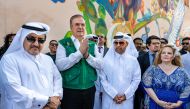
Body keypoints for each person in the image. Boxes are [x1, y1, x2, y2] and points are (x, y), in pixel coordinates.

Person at [0, 22, 63, 109]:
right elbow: (13, 89)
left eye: (41, 40)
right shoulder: (9, 59)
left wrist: (55, 98)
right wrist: (46, 100)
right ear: (22, 38)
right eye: (31, 39)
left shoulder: (47, 59)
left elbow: (57, 79)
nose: (36, 44)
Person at [56, 14, 102, 109]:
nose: (80, 27)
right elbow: (60, 65)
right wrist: (79, 53)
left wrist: (88, 56)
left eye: (82, 24)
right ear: (71, 27)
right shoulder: (63, 43)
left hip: (89, 89)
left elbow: (101, 64)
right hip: (70, 90)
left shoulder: (93, 43)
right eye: (77, 24)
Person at [100, 32, 141, 109]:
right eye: (116, 43)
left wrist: (126, 95)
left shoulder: (133, 60)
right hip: (109, 99)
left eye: (121, 43)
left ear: (127, 44)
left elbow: (136, 79)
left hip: (127, 100)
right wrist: (113, 94)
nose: (118, 45)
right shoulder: (106, 60)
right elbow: (103, 79)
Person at [135, 35, 160, 109]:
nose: (157, 45)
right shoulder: (141, 58)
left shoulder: (164, 57)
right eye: (154, 43)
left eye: (158, 43)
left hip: (160, 90)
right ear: (148, 45)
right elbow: (138, 75)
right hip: (144, 90)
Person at [93, 33, 109, 109]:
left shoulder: (109, 50)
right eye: (97, 37)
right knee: (95, 97)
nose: (99, 38)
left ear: (105, 39)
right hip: (94, 75)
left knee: (105, 97)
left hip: (106, 76)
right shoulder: (91, 49)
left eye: (101, 37)